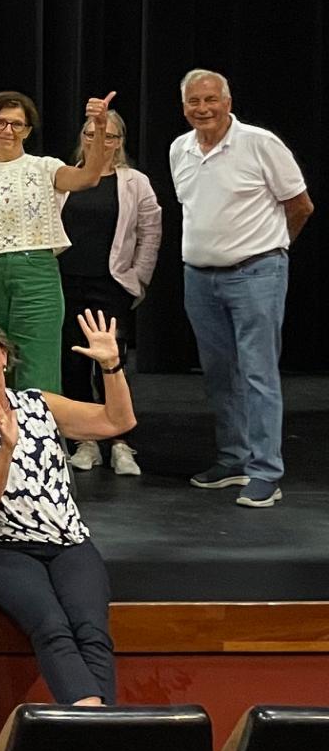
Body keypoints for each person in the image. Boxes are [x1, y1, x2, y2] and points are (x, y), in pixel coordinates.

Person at [0, 313, 135, 706]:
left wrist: (110, 365)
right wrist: (5, 446)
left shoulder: (39, 404)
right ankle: (94, 721)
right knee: (52, 627)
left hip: (69, 543)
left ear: (4, 355)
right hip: (3, 549)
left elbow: (119, 420)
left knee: (92, 631)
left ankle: (98, 727)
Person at [171, 70, 312, 509]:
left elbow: (300, 205)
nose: (203, 108)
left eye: (211, 99)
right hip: (199, 276)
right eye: (194, 101)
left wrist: (274, 249)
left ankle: (265, 470)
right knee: (219, 374)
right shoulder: (180, 149)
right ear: (184, 107)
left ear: (228, 101)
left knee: (258, 374)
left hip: (256, 274)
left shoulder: (260, 143)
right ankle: (233, 459)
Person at [0, 91, 118, 393]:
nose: (8, 131)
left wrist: (101, 126)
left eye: (17, 124)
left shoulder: (44, 167)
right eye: (1, 123)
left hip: (36, 270)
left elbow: (89, 178)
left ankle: (41, 437)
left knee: (39, 362)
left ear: (27, 130)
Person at [60, 109, 161, 475]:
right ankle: (85, 440)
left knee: (112, 363)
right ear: (81, 139)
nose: (99, 141)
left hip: (111, 286)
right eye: (91, 134)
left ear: (119, 142)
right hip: (67, 282)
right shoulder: (65, 178)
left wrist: (137, 279)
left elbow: (150, 233)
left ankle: (120, 442)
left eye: (109, 136)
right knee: (72, 363)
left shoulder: (134, 182)